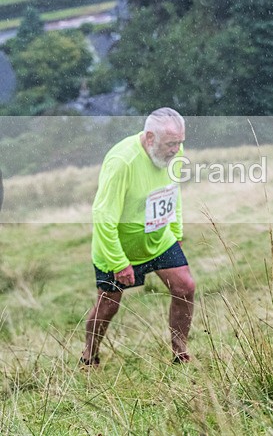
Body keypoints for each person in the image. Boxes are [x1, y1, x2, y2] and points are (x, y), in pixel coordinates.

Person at [81, 107, 196, 366]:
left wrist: (176, 232)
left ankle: (181, 354)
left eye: (180, 143)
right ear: (150, 138)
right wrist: (119, 262)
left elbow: (172, 192)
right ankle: (90, 356)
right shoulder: (123, 162)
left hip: (157, 238)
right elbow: (103, 215)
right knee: (109, 304)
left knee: (185, 287)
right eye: (171, 144)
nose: (176, 150)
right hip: (118, 247)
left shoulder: (173, 153)